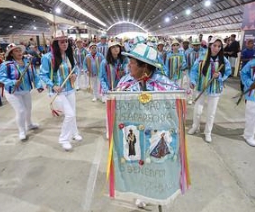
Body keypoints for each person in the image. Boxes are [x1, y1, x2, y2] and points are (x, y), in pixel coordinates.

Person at [115, 43, 180, 208]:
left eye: (132, 62)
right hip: (134, 135)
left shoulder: (164, 85)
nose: (128, 65)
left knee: (154, 164)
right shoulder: (125, 82)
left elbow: (173, 114)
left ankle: (155, 191)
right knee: (137, 163)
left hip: (155, 136)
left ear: (145, 67)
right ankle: (140, 192)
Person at [39, 30, 82, 151]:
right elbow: (43, 75)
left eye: (66, 41)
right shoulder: (48, 58)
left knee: (73, 113)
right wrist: (53, 85)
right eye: (62, 42)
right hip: (57, 92)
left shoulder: (69, 56)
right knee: (69, 114)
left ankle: (74, 133)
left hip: (70, 89)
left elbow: (75, 68)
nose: (65, 44)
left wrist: (75, 75)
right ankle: (64, 139)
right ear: (56, 43)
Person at [187, 37, 231, 143]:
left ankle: (208, 132)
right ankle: (195, 126)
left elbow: (228, 72)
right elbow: (194, 71)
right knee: (198, 111)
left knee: (211, 113)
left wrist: (220, 76)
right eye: (214, 45)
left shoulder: (223, 60)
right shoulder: (202, 58)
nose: (216, 48)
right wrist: (192, 81)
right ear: (210, 45)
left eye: (219, 46)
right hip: (201, 87)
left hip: (215, 89)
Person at [0, 43, 43, 141]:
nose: (19, 52)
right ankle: (22, 131)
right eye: (16, 51)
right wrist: (12, 82)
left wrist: (38, 85)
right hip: (13, 92)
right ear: (11, 54)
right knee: (21, 111)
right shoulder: (6, 65)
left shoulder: (27, 62)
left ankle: (29, 124)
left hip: (26, 90)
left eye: (19, 50)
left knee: (28, 109)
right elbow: (0, 77)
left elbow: (35, 75)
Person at [99, 42, 128, 138]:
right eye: (113, 47)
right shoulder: (104, 62)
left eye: (117, 47)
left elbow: (128, 75)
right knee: (110, 112)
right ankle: (109, 130)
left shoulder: (124, 61)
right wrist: (106, 90)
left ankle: (120, 130)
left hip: (121, 91)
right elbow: (102, 77)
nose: (116, 49)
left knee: (121, 111)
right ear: (109, 50)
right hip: (110, 91)